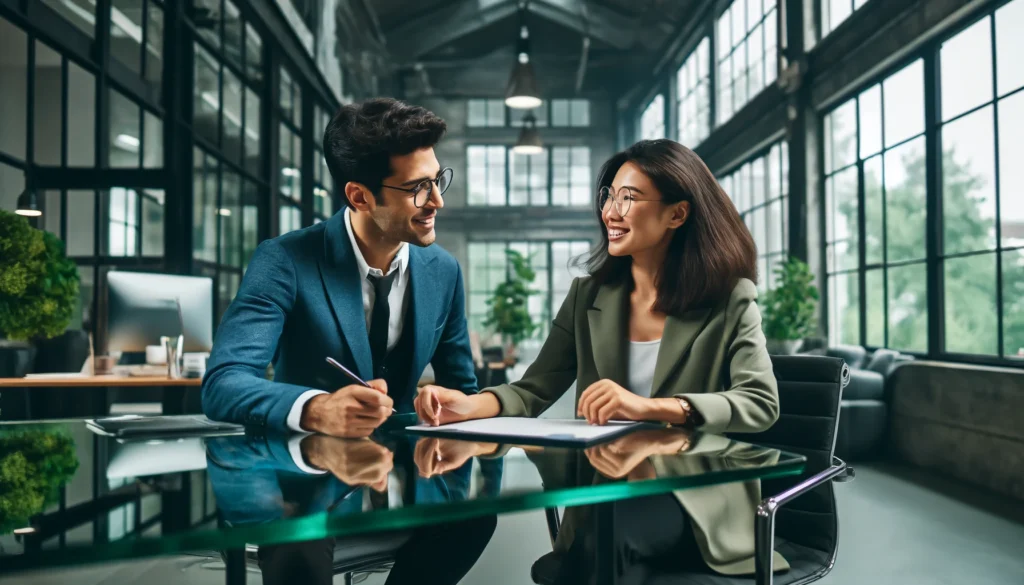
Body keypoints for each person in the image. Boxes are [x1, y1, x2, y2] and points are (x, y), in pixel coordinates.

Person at [413, 138, 784, 575]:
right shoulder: (587, 296)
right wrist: (468, 406)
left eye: (629, 198)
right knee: (602, 538)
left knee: (599, 546)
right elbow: (533, 390)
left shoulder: (730, 299)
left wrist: (649, 408)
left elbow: (761, 402)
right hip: (607, 487)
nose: (610, 211)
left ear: (677, 214)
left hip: (697, 498)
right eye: (609, 195)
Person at [202, 98, 478, 436]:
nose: (437, 200)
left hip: (414, 473)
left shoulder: (444, 270)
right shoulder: (284, 260)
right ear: (360, 197)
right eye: (417, 188)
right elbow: (224, 384)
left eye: (436, 180)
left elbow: (464, 393)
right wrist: (315, 409)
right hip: (310, 469)